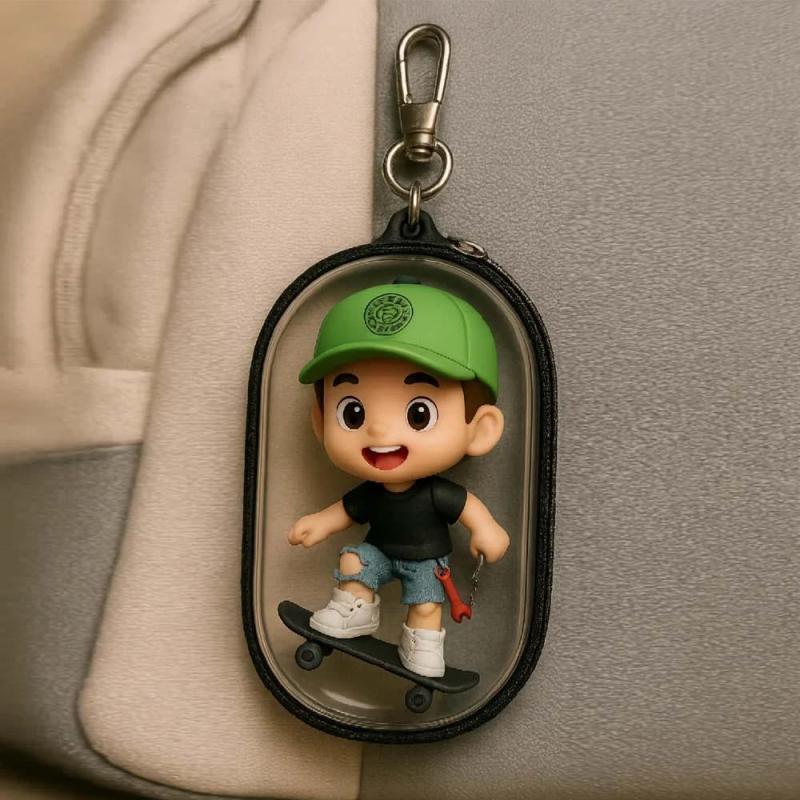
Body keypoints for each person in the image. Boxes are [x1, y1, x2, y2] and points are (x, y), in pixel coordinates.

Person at [287, 279, 510, 677]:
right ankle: (356, 611)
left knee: (426, 604)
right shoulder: (372, 493)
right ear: (320, 424)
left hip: (426, 561)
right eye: (353, 413)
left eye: (418, 414)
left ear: (479, 430)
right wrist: (319, 523)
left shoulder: (436, 493)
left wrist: (486, 528)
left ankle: (423, 642)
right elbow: (346, 510)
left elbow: (468, 508)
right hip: (379, 552)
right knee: (354, 559)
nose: (379, 431)